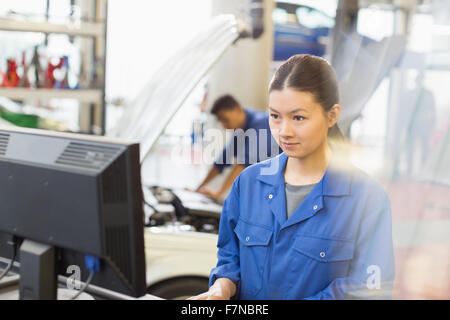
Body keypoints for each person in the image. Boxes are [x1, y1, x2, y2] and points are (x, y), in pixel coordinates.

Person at [189, 54, 395, 300]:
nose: (284, 132)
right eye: (275, 116)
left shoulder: (366, 199)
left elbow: (369, 290)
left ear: (332, 115)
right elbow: (229, 258)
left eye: (298, 118)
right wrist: (221, 288)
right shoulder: (248, 184)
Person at [195, 94, 281, 200]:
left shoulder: (261, 124)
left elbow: (243, 163)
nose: (224, 125)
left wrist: (218, 194)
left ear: (237, 110)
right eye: (221, 121)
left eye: (225, 119)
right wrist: (197, 190)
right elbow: (221, 162)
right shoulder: (241, 129)